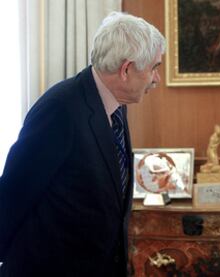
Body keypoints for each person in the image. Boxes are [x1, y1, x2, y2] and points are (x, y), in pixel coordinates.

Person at [0, 12, 165, 277]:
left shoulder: (116, 105)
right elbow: (14, 193)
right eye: (154, 67)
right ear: (126, 69)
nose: (156, 78)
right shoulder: (60, 109)